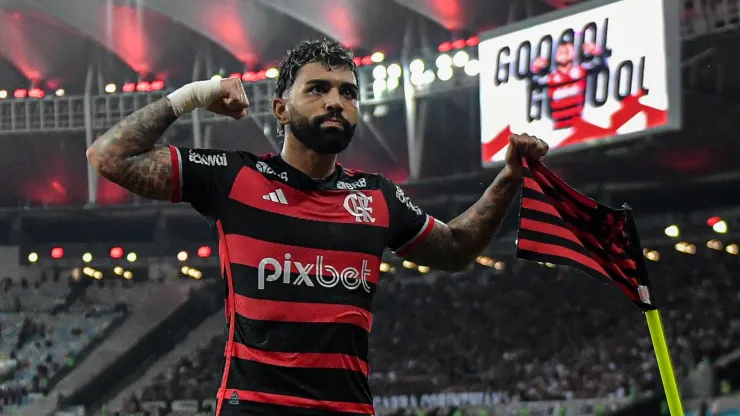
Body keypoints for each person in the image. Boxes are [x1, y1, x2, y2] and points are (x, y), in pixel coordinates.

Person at [86, 38, 548, 416]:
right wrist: (194, 95)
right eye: (318, 89)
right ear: (281, 109)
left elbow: (457, 249)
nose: (336, 102)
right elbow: (108, 157)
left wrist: (509, 179)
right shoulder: (233, 177)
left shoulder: (377, 198)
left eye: (348, 92)